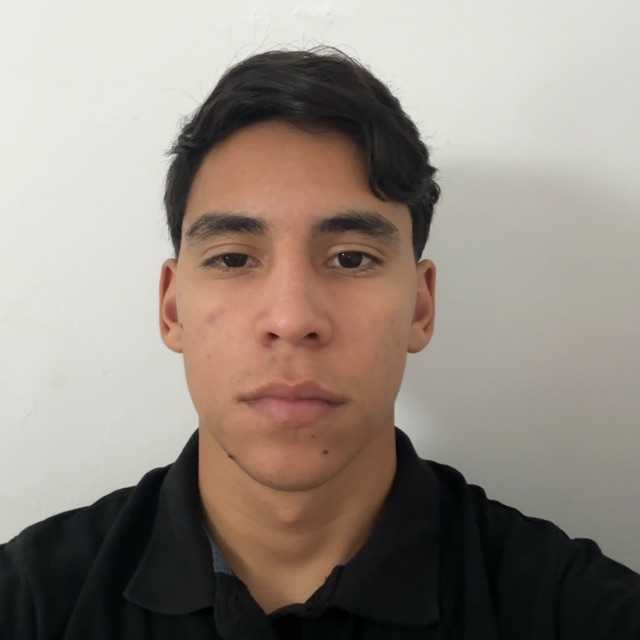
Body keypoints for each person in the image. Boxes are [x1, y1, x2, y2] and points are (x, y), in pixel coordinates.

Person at [1, 45, 638, 640]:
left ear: (420, 307)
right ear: (171, 309)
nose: (291, 318)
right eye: (232, 259)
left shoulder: (575, 610)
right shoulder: (30, 603)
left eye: (352, 258)